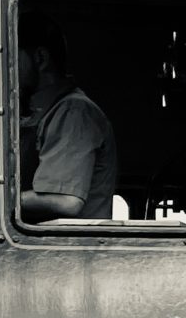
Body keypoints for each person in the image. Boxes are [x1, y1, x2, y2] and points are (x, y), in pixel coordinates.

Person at [17, 14, 118, 222]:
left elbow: (66, 201)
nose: (7, 69)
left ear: (40, 58)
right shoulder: (47, 112)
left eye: (13, 58)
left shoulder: (73, 111)